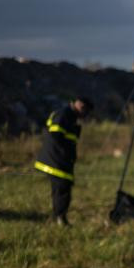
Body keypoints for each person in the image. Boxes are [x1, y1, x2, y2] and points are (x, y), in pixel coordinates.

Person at [34, 97, 92, 226]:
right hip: (57, 160)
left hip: (60, 159)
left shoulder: (70, 116)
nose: (85, 115)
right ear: (81, 106)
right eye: (86, 111)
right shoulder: (63, 114)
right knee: (63, 189)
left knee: (60, 189)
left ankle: (58, 218)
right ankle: (60, 219)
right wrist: (65, 155)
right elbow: (55, 137)